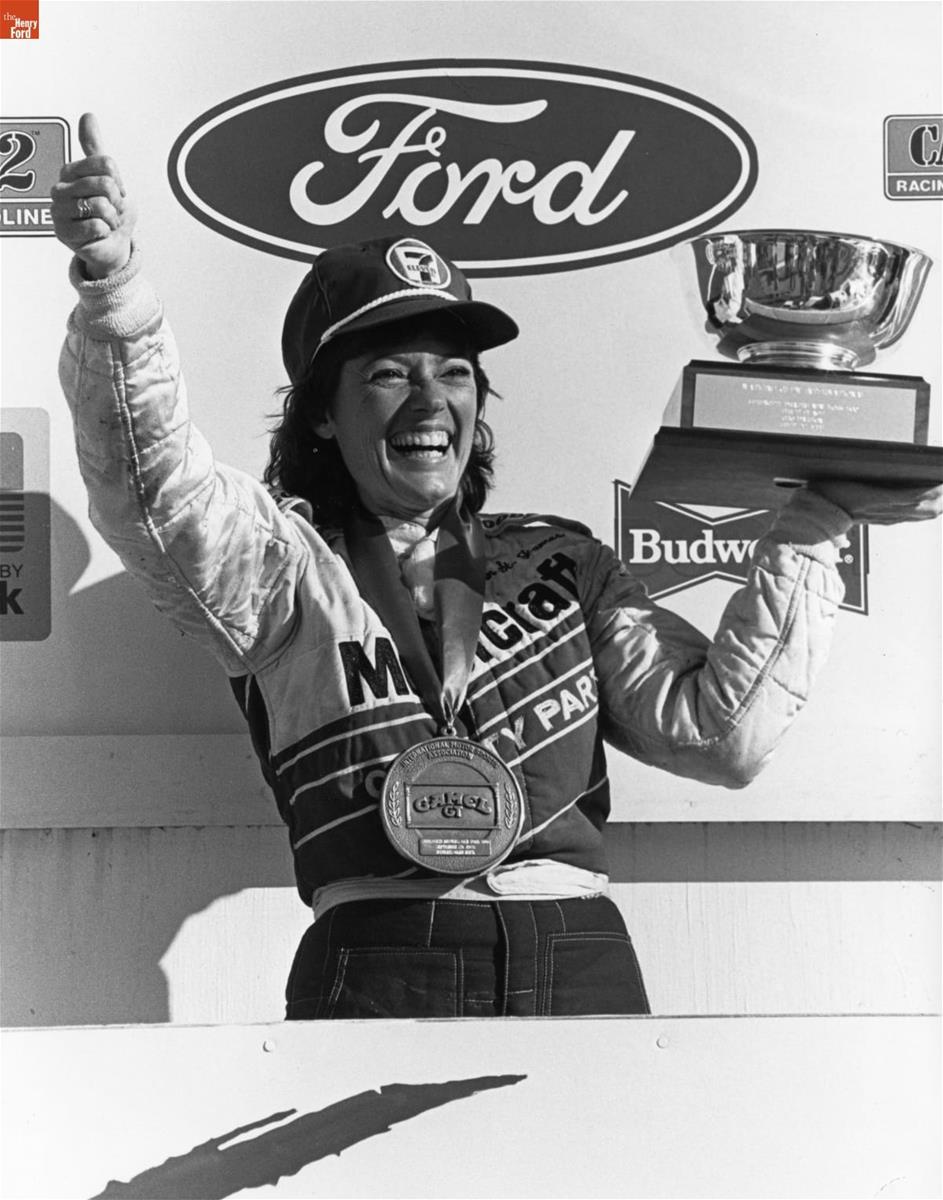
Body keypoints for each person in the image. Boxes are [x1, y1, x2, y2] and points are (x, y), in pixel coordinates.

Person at [52, 114, 942, 1020]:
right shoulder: (282, 565)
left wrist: (811, 526)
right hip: (380, 948)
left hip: (578, 946)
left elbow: (719, 738)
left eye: (454, 372)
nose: (430, 401)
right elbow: (150, 484)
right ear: (321, 413)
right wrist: (116, 294)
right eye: (389, 374)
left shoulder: (564, 559)